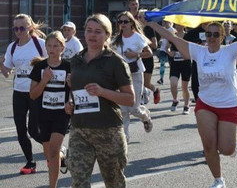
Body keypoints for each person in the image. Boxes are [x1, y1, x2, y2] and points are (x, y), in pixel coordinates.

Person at [147, 20, 237, 188]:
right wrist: (151, 23)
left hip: (229, 104)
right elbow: (173, 38)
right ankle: (218, 180)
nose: (211, 37)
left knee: (227, 149)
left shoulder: (230, 51)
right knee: (209, 145)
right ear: (205, 36)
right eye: (208, 34)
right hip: (206, 103)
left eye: (215, 34)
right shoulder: (199, 51)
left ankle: (229, 145)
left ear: (222, 37)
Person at [66, 14, 135, 187]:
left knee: (114, 183)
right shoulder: (76, 60)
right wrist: (71, 103)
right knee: (78, 181)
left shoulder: (115, 62)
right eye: (89, 30)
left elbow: (129, 98)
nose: (92, 35)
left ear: (107, 35)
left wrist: (102, 91)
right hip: (79, 130)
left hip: (108, 131)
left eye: (98, 31)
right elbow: (76, 92)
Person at [0, 14, 47, 174]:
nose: (19, 31)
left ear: (30, 28)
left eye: (22, 28)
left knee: (34, 130)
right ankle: (30, 162)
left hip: (36, 91)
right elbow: (7, 73)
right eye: (16, 28)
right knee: (20, 129)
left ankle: (54, 150)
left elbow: (52, 63)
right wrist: (1, 64)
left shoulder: (40, 44)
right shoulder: (12, 47)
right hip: (19, 92)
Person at [29, 31, 70, 188]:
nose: (52, 49)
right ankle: (62, 156)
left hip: (61, 114)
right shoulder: (40, 67)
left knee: (53, 150)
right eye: (49, 46)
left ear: (62, 48)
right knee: (50, 154)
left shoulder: (69, 66)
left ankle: (52, 186)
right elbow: (33, 95)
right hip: (43, 113)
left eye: (56, 46)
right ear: (45, 47)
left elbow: (75, 91)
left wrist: (72, 90)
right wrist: (44, 79)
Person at [111, 11, 154, 141]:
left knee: (134, 108)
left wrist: (136, 54)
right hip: (121, 76)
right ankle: (125, 137)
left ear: (131, 23)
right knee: (123, 109)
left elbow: (150, 53)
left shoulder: (138, 37)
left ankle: (145, 116)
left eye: (125, 21)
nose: (122, 24)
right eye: (120, 22)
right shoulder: (116, 39)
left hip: (135, 73)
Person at [167, 24, 192, 113]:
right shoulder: (173, 36)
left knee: (184, 87)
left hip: (186, 63)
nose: (178, 25)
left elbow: (192, 48)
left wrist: (187, 54)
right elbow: (166, 48)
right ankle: (175, 100)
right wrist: (170, 53)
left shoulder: (188, 36)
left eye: (180, 24)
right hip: (175, 63)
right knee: (173, 83)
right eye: (176, 24)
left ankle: (186, 105)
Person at [137, 10, 161, 104]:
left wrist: (144, 43)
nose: (139, 19)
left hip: (148, 58)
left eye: (141, 17)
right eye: (138, 17)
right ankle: (141, 99)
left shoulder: (149, 29)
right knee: (139, 81)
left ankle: (155, 90)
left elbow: (155, 45)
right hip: (138, 58)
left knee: (146, 83)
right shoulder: (136, 29)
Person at [183, 23, 208, 103]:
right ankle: (198, 100)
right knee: (196, 83)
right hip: (198, 63)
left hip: (213, 62)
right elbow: (184, 43)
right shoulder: (193, 33)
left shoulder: (215, 30)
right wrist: (196, 46)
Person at [157, 20, 175, 85]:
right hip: (163, 49)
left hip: (170, 49)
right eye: (163, 21)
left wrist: (169, 45)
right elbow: (161, 38)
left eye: (165, 21)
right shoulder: (163, 29)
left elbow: (173, 39)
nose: (164, 23)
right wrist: (160, 41)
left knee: (171, 65)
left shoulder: (172, 30)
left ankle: (172, 78)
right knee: (162, 63)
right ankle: (161, 79)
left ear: (169, 22)